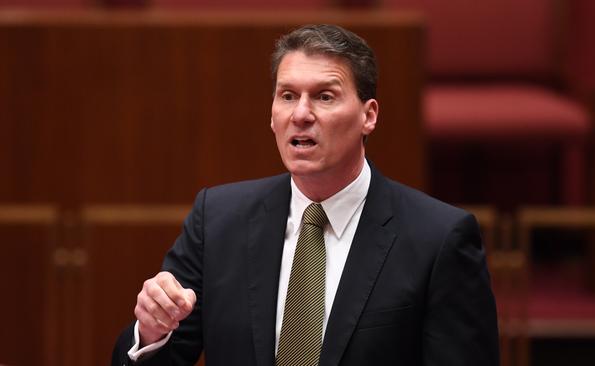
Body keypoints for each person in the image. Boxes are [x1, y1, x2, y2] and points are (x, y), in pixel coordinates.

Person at [112, 24, 499, 366]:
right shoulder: (217, 220)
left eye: (324, 96)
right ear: (271, 114)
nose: (301, 114)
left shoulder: (439, 239)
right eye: (287, 96)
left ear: (369, 115)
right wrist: (149, 334)